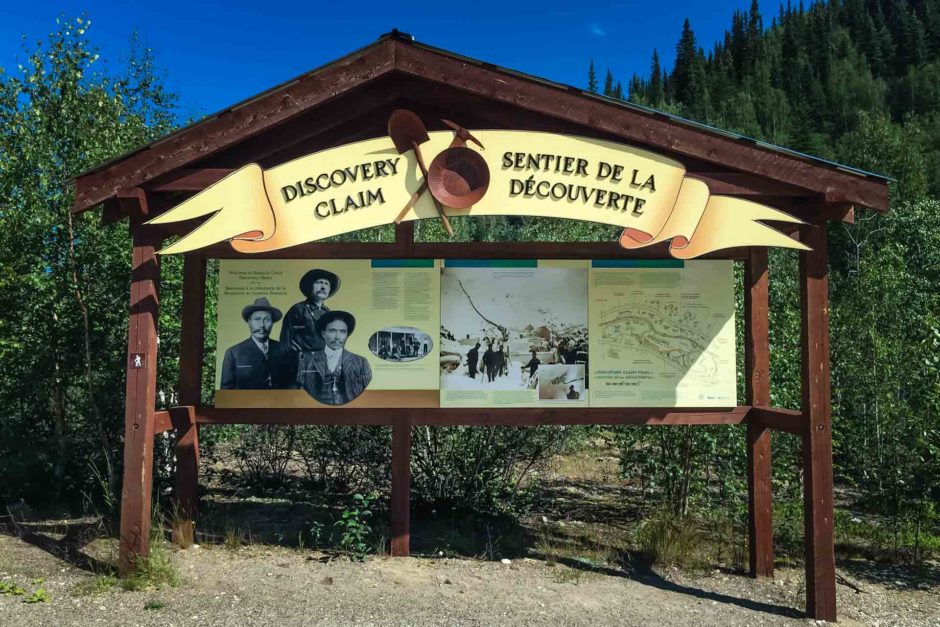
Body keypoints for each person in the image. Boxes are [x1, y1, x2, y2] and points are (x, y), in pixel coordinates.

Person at [297, 310, 372, 405]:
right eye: (332, 331)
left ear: (346, 335)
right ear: (323, 334)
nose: (337, 337)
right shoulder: (307, 361)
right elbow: (302, 393)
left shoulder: (361, 362)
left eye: (342, 332)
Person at [220, 297, 294, 390]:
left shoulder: (285, 350)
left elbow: (292, 386)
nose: (262, 325)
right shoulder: (233, 354)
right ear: (249, 322)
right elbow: (226, 395)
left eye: (267, 320)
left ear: (272, 323)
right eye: (257, 319)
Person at [280, 268, 340, 353]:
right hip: (301, 360)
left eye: (327, 284)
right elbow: (286, 339)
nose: (323, 287)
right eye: (319, 282)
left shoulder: (328, 313)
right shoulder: (299, 309)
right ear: (311, 286)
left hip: (323, 361)